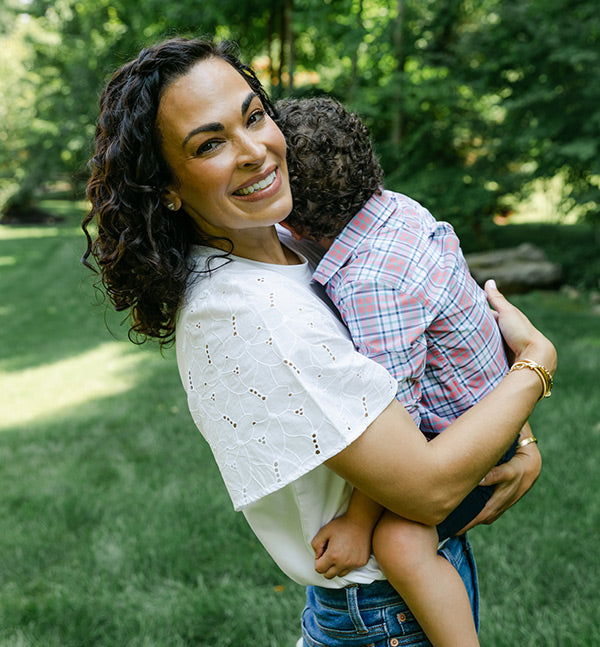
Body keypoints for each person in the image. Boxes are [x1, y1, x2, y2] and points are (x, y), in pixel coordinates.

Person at [82, 37, 556, 647]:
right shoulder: (247, 313)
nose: (254, 151)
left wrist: (519, 435)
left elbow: (439, 342)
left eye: (255, 116)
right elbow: (428, 486)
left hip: (408, 585)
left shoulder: (295, 239)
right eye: (210, 143)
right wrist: (535, 367)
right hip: (383, 610)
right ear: (166, 187)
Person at [275, 96, 545, 645]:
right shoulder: (390, 207)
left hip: (468, 432)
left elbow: (395, 412)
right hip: (490, 397)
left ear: (295, 217)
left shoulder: (372, 284)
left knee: (400, 542)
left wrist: (355, 522)